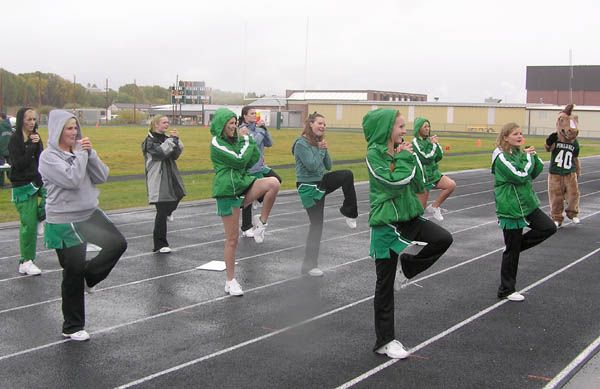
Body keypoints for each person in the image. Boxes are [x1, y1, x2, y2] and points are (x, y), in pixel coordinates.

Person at [363, 108, 453, 359]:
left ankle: (408, 268)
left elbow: (418, 183)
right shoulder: (373, 154)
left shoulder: (404, 152)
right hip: (386, 224)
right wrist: (404, 160)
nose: (405, 131)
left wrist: (411, 159)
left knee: (443, 239)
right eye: (400, 127)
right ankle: (385, 341)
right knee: (384, 286)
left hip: (409, 216)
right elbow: (391, 183)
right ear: (386, 130)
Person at [38, 110, 127, 341]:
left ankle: (89, 277)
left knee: (117, 244)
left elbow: (102, 176)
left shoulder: (80, 152)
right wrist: (79, 155)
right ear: (58, 130)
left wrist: (91, 154)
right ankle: (72, 326)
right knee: (72, 271)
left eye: (75, 127)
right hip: (64, 220)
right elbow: (72, 179)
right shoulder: (48, 157)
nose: (74, 132)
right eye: (69, 128)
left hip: (88, 214)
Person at [210, 108, 280, 296]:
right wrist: (247, 140)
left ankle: (261, 222)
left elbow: (253, 160)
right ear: (222, 125)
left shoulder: (238, 140)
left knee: (273, 183)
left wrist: (247, 141)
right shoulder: (216, 142)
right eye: (230, 124)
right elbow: (240, 160)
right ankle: (230, 280)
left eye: (235, 123)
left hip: (243, 183)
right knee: (232, 239)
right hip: (227, 191)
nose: (234, 127)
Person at [492, 122, 556, 302]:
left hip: (527, 203)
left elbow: (532, 173)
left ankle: (514, 247)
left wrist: (533, 158)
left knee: (548, 227)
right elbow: (519, 176)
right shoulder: (500, 157)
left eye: (521, 133)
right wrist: (528, 160)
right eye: (515, 134)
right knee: (511, 251)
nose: (520, 136)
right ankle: (506, 289)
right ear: (505, 137)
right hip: (511, 207)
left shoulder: (520, 153)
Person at [292, 112, 358, 277]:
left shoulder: (319, 142)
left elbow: (328, 166)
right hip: (308, 187)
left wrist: (324, 149)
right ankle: (309, 266)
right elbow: (313, 166)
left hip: (320, 181)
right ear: (311, 124)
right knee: (316, 226)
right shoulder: (301, 144)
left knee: (347, 175)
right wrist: (320, 150)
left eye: (324, 124)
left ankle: (349, 212)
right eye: (319, 123)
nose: (322, 126)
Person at [8, 107, 46, 275]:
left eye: (34, 119)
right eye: (28, 119)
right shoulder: (14, 140)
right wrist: (31, 145)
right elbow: (19, 164)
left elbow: (41, 159)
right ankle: (26, 261)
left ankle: (40, 218)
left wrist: (37, 145)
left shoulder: (36, 138)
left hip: (37, 181)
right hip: (22, 185)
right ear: (21, 120)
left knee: (55, 197)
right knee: (28, 226)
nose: (32, 123)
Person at [142, 115, 186, 253]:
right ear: (156, 124)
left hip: (171, 175)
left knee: (179, 194)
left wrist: (176, 141)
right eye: (164, 122)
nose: (167, 124)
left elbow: (175, 154)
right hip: (157, 177)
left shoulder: (167, 138)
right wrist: (172, 141)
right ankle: (160, 244)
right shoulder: (148, 142)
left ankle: (169, 212)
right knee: (161, 210)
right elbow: (160, 153)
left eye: (168, 122)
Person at [238, 106, 282, 238]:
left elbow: (269, 143)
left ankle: (257, 197)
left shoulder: (258, 129)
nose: (254, 115)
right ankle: (246, 227)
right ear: (245, 116)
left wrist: (265, 130)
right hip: (249, 169)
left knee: (277, 180)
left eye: (255, 113)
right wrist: (262, 130)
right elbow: (254, 143)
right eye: (251, 113)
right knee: (247, 200)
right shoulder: (242, 130)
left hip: (261, 167)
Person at [411, 117, 455, 221]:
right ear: (418, 128)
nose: (427, 128)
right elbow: (426, 157)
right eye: (425, 126)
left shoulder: (429, 140)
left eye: (428, 126)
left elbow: (438, 157)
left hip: (434, 174)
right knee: (420, 210)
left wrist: (436, 144)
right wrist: (432, 145)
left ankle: (435, 206)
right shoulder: (415, 142)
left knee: (451, 185)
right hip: (423, 179)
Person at [544, 104, 581, 227]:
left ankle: (572, 213)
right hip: (555, 172)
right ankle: (557, 216)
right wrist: (549, 142)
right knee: (556, 196)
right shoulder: (555, 139)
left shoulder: (574, 143)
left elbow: (575, 158)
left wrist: (577, 171)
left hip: (569, 172)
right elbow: (548, 149)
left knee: (573, 194)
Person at [0, 112, 14, 188]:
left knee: (1, 167)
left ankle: (1, 183)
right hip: (10, 149)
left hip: (1, 149)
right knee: (11, 167)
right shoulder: (10, 126)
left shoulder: (0, 125)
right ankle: (13, 181)